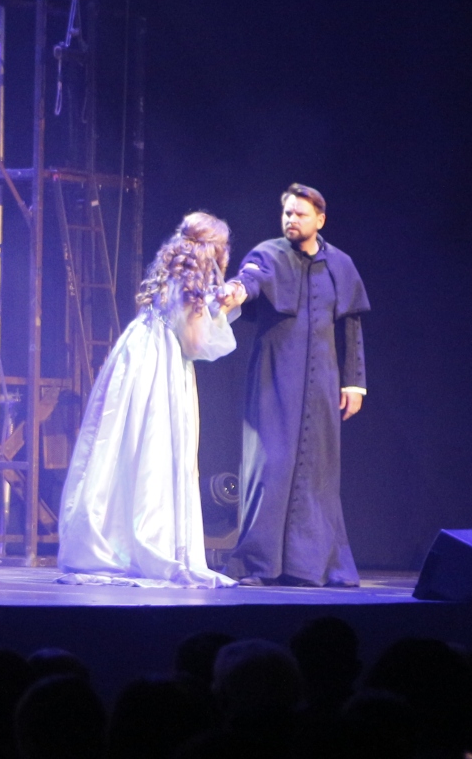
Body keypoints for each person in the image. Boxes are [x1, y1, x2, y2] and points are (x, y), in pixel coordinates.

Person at [56, 212, 239, 587]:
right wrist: (223, 310)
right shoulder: (192, 285)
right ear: (214, 250)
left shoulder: (173, 274)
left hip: (137, 357)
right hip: (160, 369)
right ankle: (147, 543)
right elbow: (196, 344)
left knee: (125, 449)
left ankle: (114, 537)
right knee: (155, 452)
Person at [223, 184, 368, 587]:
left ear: (319, 220)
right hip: (274, 378)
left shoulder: (340, 264)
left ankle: (311, 566)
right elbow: (250, 280)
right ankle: (259, 564)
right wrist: (233, 292)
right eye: (287, 213)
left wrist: (355, 384)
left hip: (323, 382)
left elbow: (351, 327)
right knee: (270, 466)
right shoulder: (268, 254)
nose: (291, 220)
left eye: (300, 214)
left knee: (318, 472)